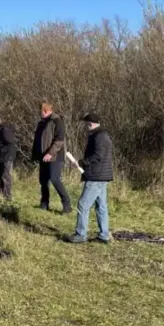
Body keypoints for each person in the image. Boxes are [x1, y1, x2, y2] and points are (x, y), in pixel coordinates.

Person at [71, 112, 114, 243]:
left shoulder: (99, 136)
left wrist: (81, 162)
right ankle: (104, 235)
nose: (85, 126)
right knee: (101, 206)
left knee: (83, 204)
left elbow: (98, 156)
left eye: (85, 123)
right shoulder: (102, 135)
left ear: (89, 123)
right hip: (101, 176)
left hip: (96, 176)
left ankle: (80, 235)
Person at [32, 102, 71, 213]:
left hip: (55, 156)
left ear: (45, 111)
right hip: (43, 156)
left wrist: (50, 153)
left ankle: (66, 204)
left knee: (55, 179)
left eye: (40, 111)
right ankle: (44, 203)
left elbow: (59, 140)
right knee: (43, 180)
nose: (39, 113)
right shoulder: (41, 123)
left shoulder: (57, 122)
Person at [0, 115, 17, 200]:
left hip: (7, 155)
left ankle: (7, 196)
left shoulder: (4, 130)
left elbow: (9, 141)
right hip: (2, 155)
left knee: (6, 175)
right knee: (0, 174)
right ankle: (1, 193)